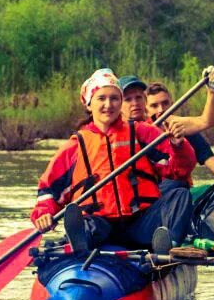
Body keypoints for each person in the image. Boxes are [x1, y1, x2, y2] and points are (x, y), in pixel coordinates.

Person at [31, 68, 197, 253]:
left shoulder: (143, 133)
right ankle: (79, 243)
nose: (108, 104)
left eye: (114, 98)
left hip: (140, 222)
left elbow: (180, 170)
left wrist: (178, 145)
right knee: (87, 224)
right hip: (101, 225)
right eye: (101, 98)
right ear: (89, 104)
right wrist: (44, 213)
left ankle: (168, 247)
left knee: (180, 195)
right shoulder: (75, 146)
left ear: (120, 103)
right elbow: (48, 188)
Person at [119, 70, 214, 190]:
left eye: (138, 97)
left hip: (174, 190)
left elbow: (206, 122)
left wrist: (212, 91)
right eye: (154, 106)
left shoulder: (173, 125)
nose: (161, 110)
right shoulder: (118, 133)